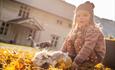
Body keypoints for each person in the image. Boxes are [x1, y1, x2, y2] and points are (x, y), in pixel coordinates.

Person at [61, 1, 106, 70]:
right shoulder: (77, 29)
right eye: (78, 16)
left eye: (85, 15)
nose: (81, 17)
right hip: (81, 55)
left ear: (90, 17)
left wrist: (77, 61)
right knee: (70, 38)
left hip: (94, 57)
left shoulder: (93, 29)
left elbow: (88, 46)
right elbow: (66, 42)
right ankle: (70, 57)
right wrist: (61, 54)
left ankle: (83, 63)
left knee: (78, 40)